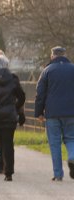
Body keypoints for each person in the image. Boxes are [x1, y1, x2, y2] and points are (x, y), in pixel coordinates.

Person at [35, 46, 74, 181]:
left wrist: (39, 112)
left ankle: (58, 174)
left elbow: (40, 94)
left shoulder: (47, 71)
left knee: (54, 142)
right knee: (71, 138)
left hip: (52, 113)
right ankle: (72, 157)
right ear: (64, 54)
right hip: (71, 112)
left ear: (52, 56)